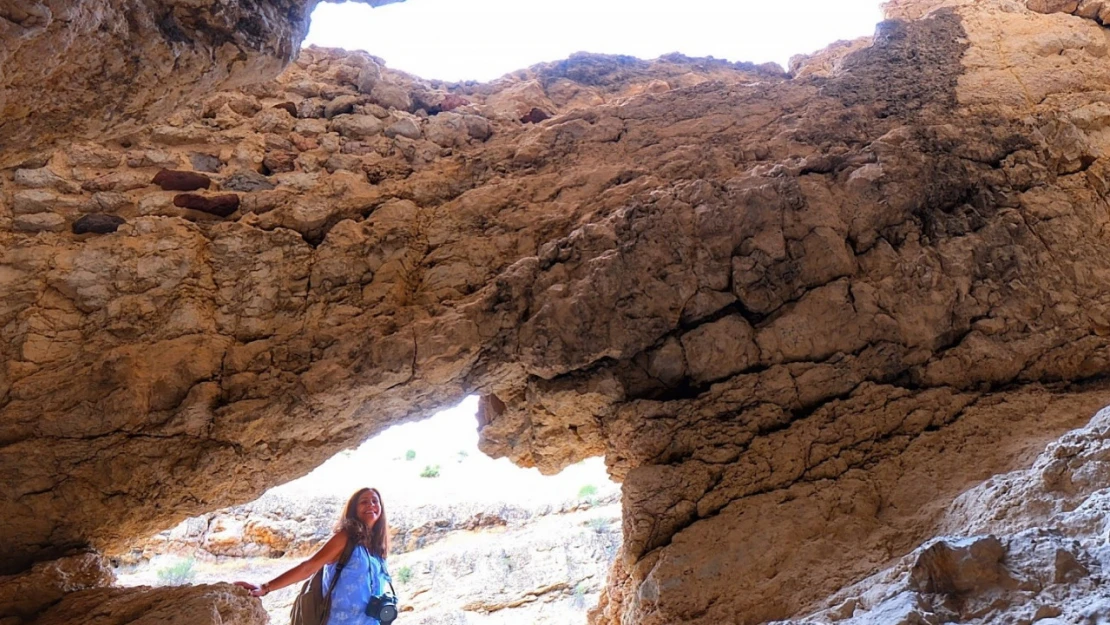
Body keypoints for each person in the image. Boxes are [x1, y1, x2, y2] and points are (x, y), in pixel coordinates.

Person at [234, 487, 393, 624]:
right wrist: (265, 587)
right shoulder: (345, 538)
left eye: (375, 501)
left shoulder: (376, 547)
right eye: (364, 501)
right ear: (353, 509)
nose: (371, 505)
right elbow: (308, 567)